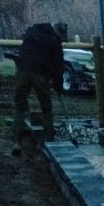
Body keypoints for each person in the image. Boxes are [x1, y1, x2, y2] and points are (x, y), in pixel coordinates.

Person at [11, 21, 68, 155]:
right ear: (58, 31)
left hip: (23, 71)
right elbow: (58, 66)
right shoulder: (54, 40)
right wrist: (58, 86)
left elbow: (22, 51)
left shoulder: (31, 31)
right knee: (46, 107)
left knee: (19, 106)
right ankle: (47, 141)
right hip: (41, 75)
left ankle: (17, 142)